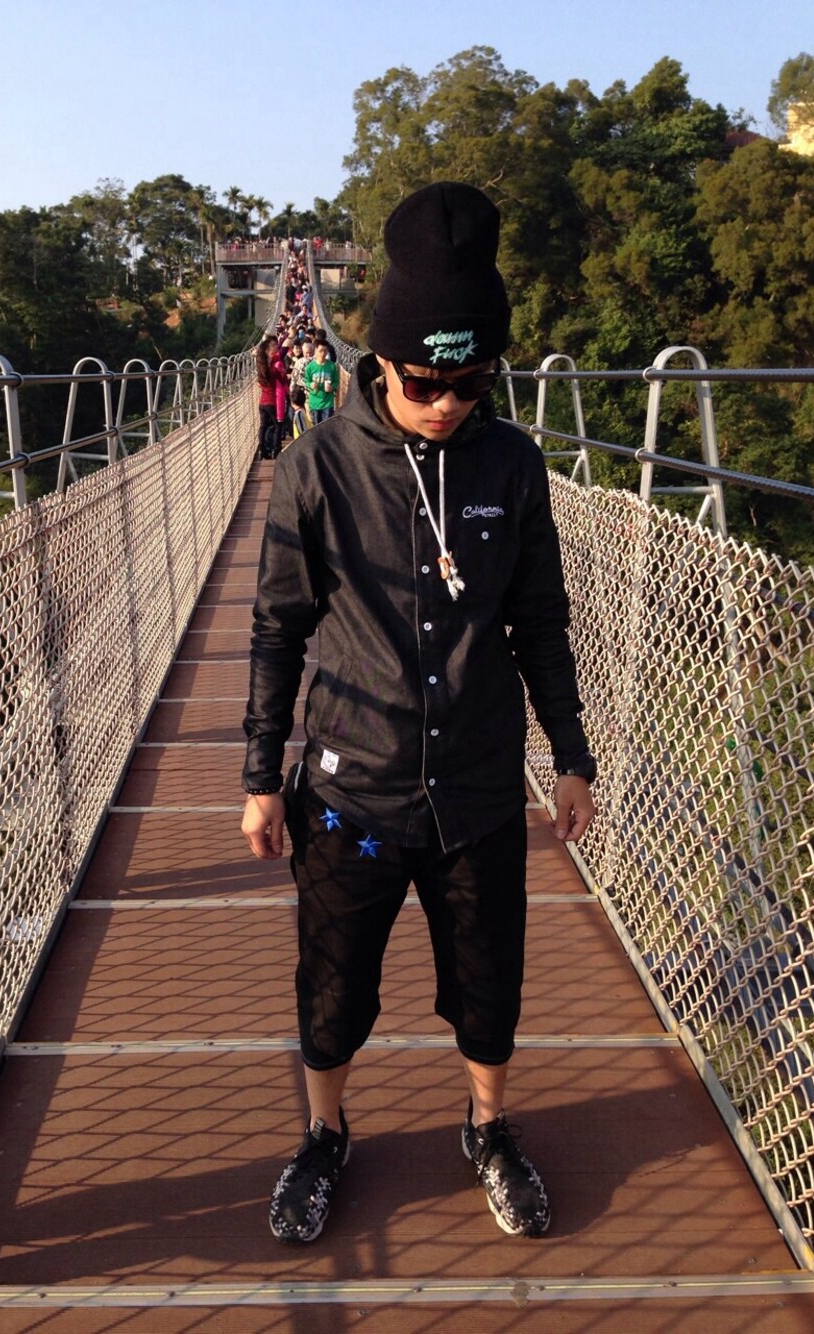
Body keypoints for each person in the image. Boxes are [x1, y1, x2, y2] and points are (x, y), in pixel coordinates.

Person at [241, 181, 596, 1246]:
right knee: (333, 986)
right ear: (383, 361)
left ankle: (487, 1127)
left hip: (478, 787)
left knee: (489, 986)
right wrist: (260, 775)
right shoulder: (316, 464)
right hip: (350, 787)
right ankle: (323, 1135)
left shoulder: (512, 462)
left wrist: (570, 754)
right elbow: (276, 628)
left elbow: (540, 620)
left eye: (470, 383)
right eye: (426, 381)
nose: (445, 403)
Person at [256, 335, 288, 459]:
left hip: (262, 403)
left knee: (263, 427)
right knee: (277, 426)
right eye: (273, 346)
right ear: (267, 351)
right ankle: (276, 449)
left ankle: (262, 450)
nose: (276, 347)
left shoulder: (261, 367)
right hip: (272, 402)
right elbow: (282, 380)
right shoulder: (274, 369)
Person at [303, 342, 339, 425]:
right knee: (316, 426)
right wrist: (311, 385)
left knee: (326, 426)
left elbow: (336, 381)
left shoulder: (332, 366)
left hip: (328, 402)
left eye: (325, 351)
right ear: (315, 350)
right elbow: (306, 381)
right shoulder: (310, 367)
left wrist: (332, 387)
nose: (323, 353)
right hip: (314, 402)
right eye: (320, 351)